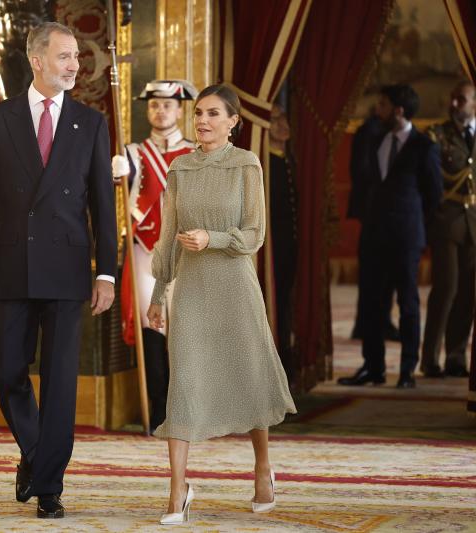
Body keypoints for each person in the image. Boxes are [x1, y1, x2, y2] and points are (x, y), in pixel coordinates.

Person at [0, 22, 116, 520]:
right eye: (65, 56)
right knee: (3, 369)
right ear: (38, 60)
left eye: (76, 58)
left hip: (68, 269)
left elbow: (102, 208)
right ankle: (35, 452)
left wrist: (106, 272)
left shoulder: (89, 124)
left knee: (61, 380)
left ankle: (48, 486)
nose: (74, 65)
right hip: (10, 264)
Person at [146, 84, 296, 525]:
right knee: (184, 384)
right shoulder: (180, 169)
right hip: (190, 292)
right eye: (198, 114)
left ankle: (263, 467)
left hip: (235, 287)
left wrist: (214, 239)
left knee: (248, 377)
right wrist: (158, 294)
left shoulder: (246, 165)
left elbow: (255, 235)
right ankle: (177, 492)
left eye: (213, 114)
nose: (203, 121)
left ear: (233, 122)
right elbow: (168, 236)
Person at [338, 84, 442, 389]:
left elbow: (433, 194)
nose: (377, 110)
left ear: (398, 110)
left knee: (408, 303)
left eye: (382, 105)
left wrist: (414, 224)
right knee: (371, 302)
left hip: (407, 236)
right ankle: (373, 367)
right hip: (373, 234)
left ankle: (408, 370)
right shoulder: (374, 139)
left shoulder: (424, 146)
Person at [112, 79, 196, 432]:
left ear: (179, 110)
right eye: (153, 105)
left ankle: (189, 412)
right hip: (146, 252)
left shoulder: (196, 153)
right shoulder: (132, 153)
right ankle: (158, 412)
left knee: (186, 332)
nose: (160, 111)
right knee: (152, 330)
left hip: (186, 254)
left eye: (166, 105)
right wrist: (115, 175)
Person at [421, 81, 476, 379]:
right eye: (453, 99)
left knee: (468, 293)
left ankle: (456, 356)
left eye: (462, 99)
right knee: (446, 289)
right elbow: (430, 180)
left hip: (473, 223)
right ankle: (430, 358)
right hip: (447, 221)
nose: (455, 104)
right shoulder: (437, 135)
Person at [348, 111, 400, 342]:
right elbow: (362, 171)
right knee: (372, 273)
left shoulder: (384, 132)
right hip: (373, 213)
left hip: (387, 214)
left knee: (386, 274)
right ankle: (367, 324)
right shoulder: (370, 132)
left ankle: (379, 321)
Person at [268, 104, 298, 385]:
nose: (282, 124)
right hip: (271, 249)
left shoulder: (290, 160)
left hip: (290, 244)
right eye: (274, 120)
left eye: (283, 117)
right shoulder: (264, 163)